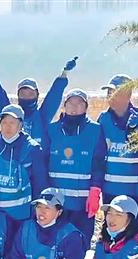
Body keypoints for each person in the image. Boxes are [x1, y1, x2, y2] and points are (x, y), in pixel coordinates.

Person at [0, 49, 77, 146]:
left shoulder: (42, 116)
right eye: (23, 94)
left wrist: (65, 73)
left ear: (37, 95)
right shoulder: (10, 114)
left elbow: (54, 95)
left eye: (30, 94)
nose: (27, 97)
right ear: (18, 96)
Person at [46, 89, 107, 244]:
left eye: (79, 103)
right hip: (57, 202)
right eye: (70, 103)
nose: (74, 107)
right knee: (56, 242)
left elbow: (99, 162)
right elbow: (44, 162)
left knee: (82, 241)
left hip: (82, 202)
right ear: (64, 106)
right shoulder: (52, 129)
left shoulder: (95, 129)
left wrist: (95, 190)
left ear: (86, 107)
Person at [0, 104, 48, 222]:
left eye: (12, 122)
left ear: (21, 125)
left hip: (19, 216)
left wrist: (34, 213)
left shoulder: (32, 148)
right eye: (4, 122)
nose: (8, 127)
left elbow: (40, 184)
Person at [97, 74, 138, 203]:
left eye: (115, 93)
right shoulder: (103, 119)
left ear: (128, 95)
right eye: (109, 93)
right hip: (110, 189)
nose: (110, 97)